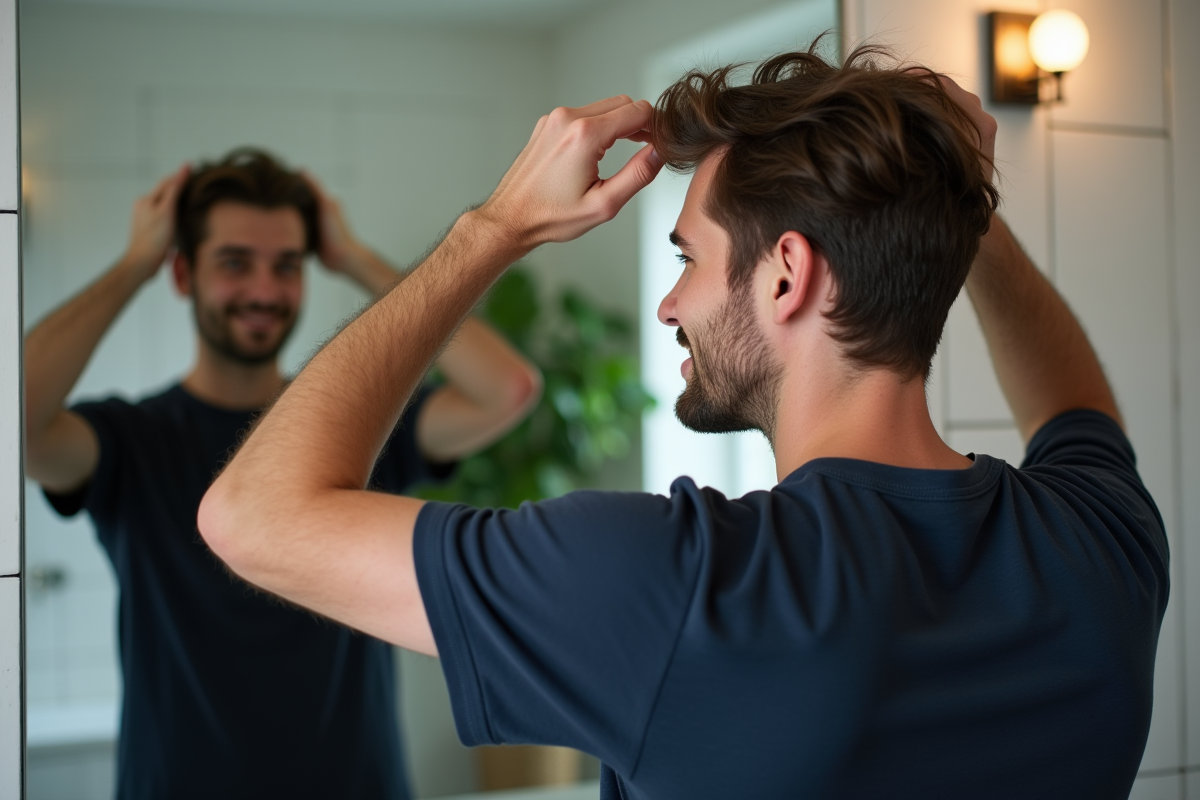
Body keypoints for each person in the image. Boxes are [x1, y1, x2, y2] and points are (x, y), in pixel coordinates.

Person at [199, 46, 1168, 799]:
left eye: (688, 258)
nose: (668, 305)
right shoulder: (1100, 536)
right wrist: (955, 201)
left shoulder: (676, 583)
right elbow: (1072, 401)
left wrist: (492, 229)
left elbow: (252, 516)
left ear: (787, 273)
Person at [24, 148, 542, 799]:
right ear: (183, 274)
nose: (265, 292)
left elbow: (509, 390)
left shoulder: (356, 428)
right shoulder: (132, 441)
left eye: (287, 266)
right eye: (235, 263)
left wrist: (355, 258)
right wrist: (134, 265)